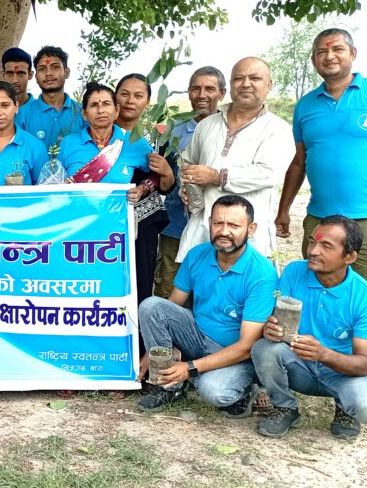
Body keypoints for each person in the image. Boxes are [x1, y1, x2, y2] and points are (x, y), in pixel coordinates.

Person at [276, 28, 367, 308]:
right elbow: (299, 162)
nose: (329, 56)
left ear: (353, 54)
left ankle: (364, 341)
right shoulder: (305, 106)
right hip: (320, 219)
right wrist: (283, 209)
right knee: (317, 298)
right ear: (314, 60)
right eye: (321, 51)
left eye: (337, 49)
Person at [137, 195, 277, 416]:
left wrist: (190, 368)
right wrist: (152, 351)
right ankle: (170, 386)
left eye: (234, 225)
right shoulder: (197, 255)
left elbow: (246, 346)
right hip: (196, 337)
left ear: (251, 229)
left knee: (212, 390)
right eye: (218, 223)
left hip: (236, 353)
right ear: (210, 223)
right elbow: (170, 307)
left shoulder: (262, 274)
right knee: (151, 306)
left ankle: (247, 388)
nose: (224, 231)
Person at [252, 216, 367, 439]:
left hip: (342, 372)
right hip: (299, 363)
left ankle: (345, 410)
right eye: (312, 241)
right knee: (264, 348)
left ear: (350, 257)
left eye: (326, 246)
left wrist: (323, 354)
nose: (313, 251)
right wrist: (271, 329)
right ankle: (285, 407)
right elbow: (278, 314)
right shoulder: (293, 272)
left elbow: (364, 365)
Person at [177, 57, 294, 264]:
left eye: (254, 78)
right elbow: (186, 163)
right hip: (203, 231)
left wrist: (217, 176)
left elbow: (268, 174)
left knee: (246, 282)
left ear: (268, 85)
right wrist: (186, 187)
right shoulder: (207, 125)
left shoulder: (278, 129)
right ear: (231, 85)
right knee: (197, 281)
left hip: (249, 236)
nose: (246, 84)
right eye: (239, 78)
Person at [154, 66, 227, 298]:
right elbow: (163, 180)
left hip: (217, 229)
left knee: (210, 294)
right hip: (176, 226)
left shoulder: (229, 129)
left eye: (210, 89)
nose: (202, 95)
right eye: (196, 88)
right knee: (169, 292)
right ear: (188, 93)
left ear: (222, 93)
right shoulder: (172, 130)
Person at [113, 73, 175, 305]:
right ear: (115, 97)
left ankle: (139, 328)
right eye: (124, 94)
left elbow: (167, 186)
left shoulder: (158, 138)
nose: (130, 101)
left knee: (140, 281)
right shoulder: (100, 132)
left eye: (138, 96)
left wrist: (166, 172)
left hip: (143, 223)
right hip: (103, 220)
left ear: (148, 102)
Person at [16, 46, 82, 150]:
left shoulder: (82, 113)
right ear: (36, 77)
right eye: (42, 69)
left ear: (66, 72)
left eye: (55, 67)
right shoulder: (22, 115)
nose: (48, 73)